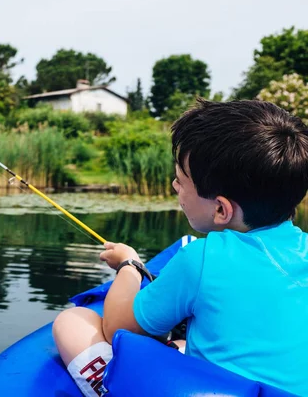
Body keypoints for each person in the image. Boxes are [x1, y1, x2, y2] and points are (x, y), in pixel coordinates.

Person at [52, 99, 308, 397]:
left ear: (221, 210)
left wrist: (129, 266)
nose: (175, 186)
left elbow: (118, 328)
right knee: (188, 346)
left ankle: (107, 388)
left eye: (181, 180)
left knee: (72, 322)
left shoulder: (200, 258)